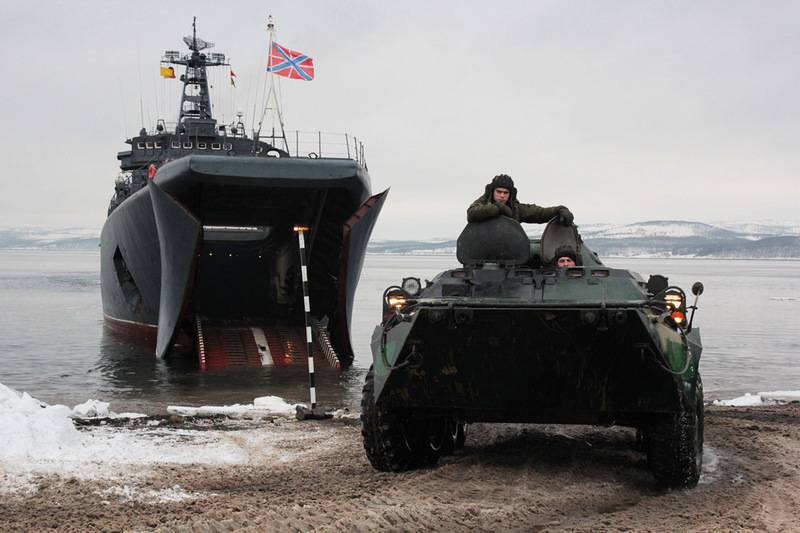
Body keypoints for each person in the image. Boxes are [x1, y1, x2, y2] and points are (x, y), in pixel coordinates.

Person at [466, 174, 574, 226]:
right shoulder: (482, 203)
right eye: (499, 192)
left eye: (505, 192)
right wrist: (498, 208)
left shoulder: (516, 209)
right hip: (481, 254)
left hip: (509, 253)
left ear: (510, 194)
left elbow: (539, 213)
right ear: (492, 192)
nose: (502, 195)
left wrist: (560, 210)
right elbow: (471, 214)